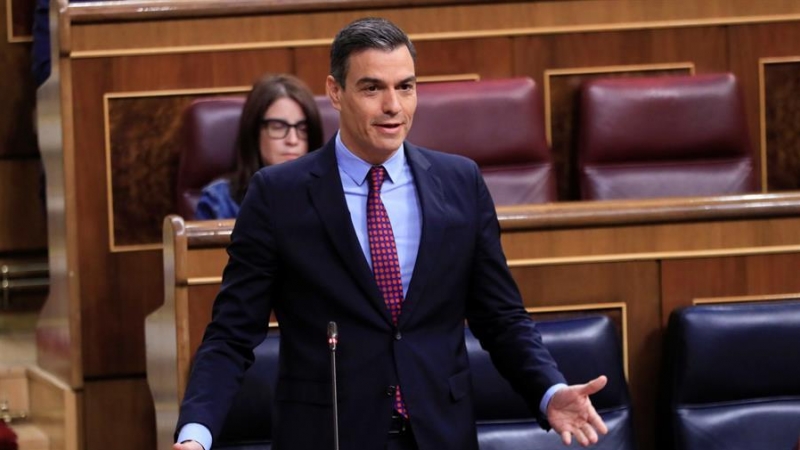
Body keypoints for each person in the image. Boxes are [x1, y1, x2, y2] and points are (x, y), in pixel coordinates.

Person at [175, 17, 608, 450]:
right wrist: (196, 435)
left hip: (440, 433)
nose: (393, 106)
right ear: (334, 92)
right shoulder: (277, 195)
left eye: (405, 86)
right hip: (330, 436)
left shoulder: (460, 183)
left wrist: (549, 391)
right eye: (371, 88)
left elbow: (502, 318)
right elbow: (231, 334)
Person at [194, 74, 324, 219]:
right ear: (254, 131)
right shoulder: (219, 201)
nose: (293, 140)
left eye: (302, 129)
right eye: (278, 127)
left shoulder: (331, 194)